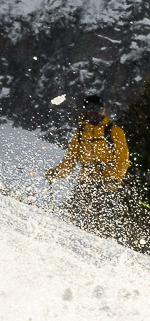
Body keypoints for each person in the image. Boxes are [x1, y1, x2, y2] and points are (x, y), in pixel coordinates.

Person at [46, 93, 131, 239]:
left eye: (96, 107)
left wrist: (113, 179)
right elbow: (70, 160)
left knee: (102, 222)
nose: (92, 110)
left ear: (103, 110)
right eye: (89, 107)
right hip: (85, 181)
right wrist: (57, 173)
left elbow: (123, 159)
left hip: (106, 183)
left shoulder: (113, 131)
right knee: (73, 217)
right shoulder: (80, 133)